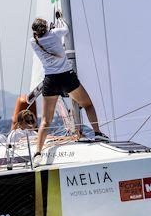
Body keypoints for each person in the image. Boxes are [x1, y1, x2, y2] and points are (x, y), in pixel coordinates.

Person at [31, 15, 107, 155]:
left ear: (35, 32)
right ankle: (97, 133)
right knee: (87, 105)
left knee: (46, 121)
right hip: (66, 77)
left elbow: (42, 38)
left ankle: (37, 152)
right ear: (47, 27)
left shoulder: (33, 42)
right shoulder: (55, 33)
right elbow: (66, 28)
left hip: (50, 81)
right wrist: (60, 19)